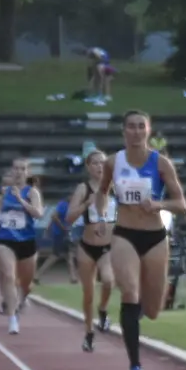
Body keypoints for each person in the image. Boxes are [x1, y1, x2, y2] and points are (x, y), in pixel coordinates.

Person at [97, 110, 186, 370]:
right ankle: (135, 367)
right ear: (124, 131)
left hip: (155, 237)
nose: (136, 131)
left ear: (148, 131)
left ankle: (132, 318)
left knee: (152, 309)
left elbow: (181, 204)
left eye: (141, 127)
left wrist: (158, 205)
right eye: (131, 127)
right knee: (130, 292)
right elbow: (102, 191)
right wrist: (102, 216)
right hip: (124, 234)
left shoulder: (161, 164)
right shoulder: (113, 162)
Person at [66, 150, 117, 351]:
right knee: (87, 294)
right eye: (95, 163)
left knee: (108, 280)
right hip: (87, 247)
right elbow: (69, 217)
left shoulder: (115, 187)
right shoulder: (83, 188)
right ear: (88, 166)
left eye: (102, 163)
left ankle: (103, 309)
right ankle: (88, 333)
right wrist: (86, 204)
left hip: (108, 247)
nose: (99, 167)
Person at [0, 165, 45, 335]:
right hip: (5, 241)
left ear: (27, 173)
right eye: (15, 169)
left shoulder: (32, 193)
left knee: (25, 285)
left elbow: (38, 214)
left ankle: (21, 299)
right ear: (11, 173)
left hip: (26, 241)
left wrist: (20, 200)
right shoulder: (3, 196)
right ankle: (12, 318)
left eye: (22, 169)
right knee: (10, 275)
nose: (18, 172)